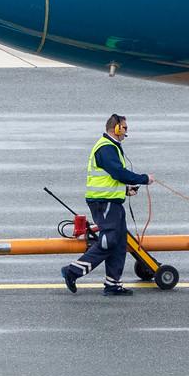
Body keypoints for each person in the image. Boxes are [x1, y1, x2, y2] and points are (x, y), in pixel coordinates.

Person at [63, 114, 153, 296]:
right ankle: (72, 271)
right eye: (125, 128)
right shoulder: (106, 148)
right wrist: (143, 179)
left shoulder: (112, 147)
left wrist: (126, 191)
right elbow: (118, 173)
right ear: (116, 128)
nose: (126, 131)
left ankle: (113, 284)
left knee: (119, 243)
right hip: (103, 203)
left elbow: (110, 179)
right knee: (109, 240)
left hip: (112, 201)